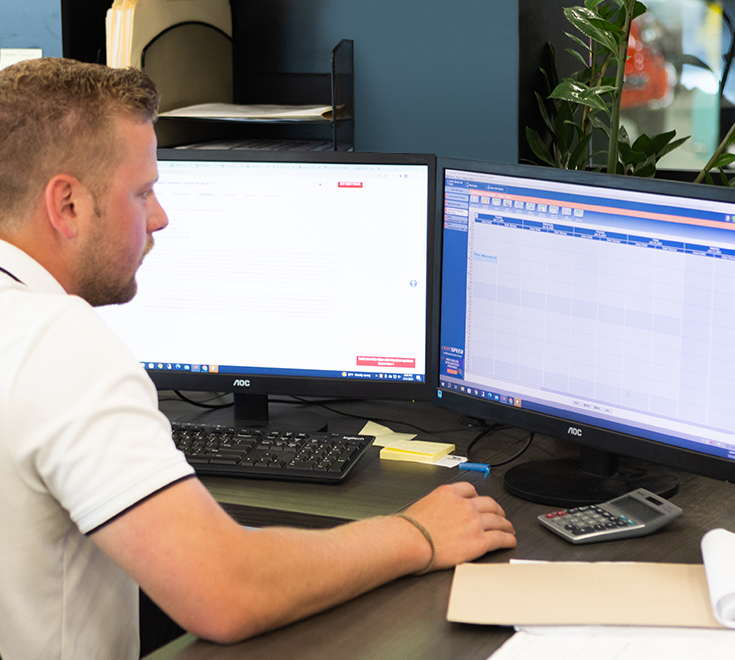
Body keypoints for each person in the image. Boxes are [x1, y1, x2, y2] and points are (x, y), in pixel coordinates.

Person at [0, 58, 517, 660]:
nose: (161, 217)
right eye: (142, 192)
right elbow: (226, 590)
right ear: (66, 204)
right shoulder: (57, 341)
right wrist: (418, 534)